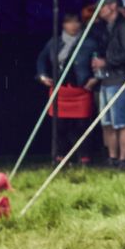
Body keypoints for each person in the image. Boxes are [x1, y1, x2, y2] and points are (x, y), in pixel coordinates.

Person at [90, 0, 125, 170]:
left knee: (122, 122)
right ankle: (112, 158)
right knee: (108, 123)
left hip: (120, 79)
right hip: (106, 79)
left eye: (101, 7)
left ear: (112, 6)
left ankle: (123, 159)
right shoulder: (105, 28)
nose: (99, 10)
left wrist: (106, 61)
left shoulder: (124, 27)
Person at [36, 12, 91, 161]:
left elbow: (99, 58)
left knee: (81, 125)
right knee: (60, 125)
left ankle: (83, 156)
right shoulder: (54, 42)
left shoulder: (88, 42)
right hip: (60, 89)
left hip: (80, 89)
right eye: (69, 22)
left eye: (76, 22)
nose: (73, 26)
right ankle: (60, 156)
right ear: (63, 25)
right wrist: (42, 75)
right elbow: (41, 58)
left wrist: (94, 79)